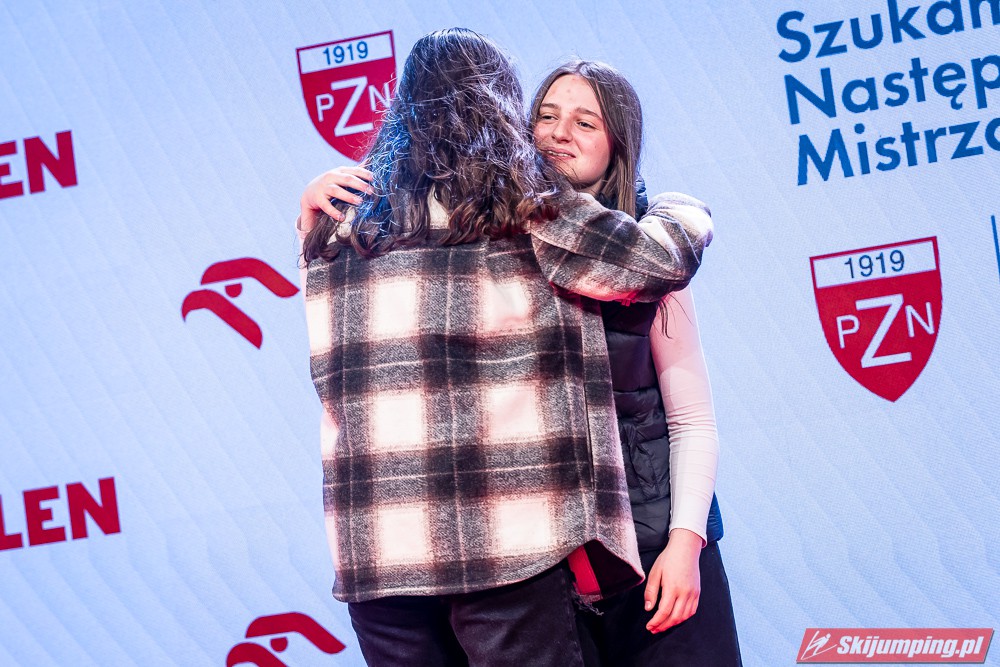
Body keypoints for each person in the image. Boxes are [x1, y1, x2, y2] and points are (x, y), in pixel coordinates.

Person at [302, 57, 740, 667]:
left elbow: (692, 420)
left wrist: (686, 542)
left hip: (648, 545)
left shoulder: (617, 243)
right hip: (544, 562)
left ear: (618, 145)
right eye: (547, 116)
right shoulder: (498, 227)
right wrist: (325, 201)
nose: (560, 133)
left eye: (585, 122)